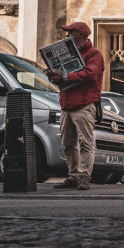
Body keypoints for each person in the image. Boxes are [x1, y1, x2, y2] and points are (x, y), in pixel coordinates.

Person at [45, 21, 104, 191]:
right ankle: (73, 176)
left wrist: (65, 77)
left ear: (80, 35)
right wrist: (53, 76)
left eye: (70, 32)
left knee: (85, 143)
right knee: (68, 143)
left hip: (84, 104)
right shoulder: (72, 53)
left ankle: (84, 177)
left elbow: (91, 74)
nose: (67, 36)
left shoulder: (94, 54)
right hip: (67, 104)